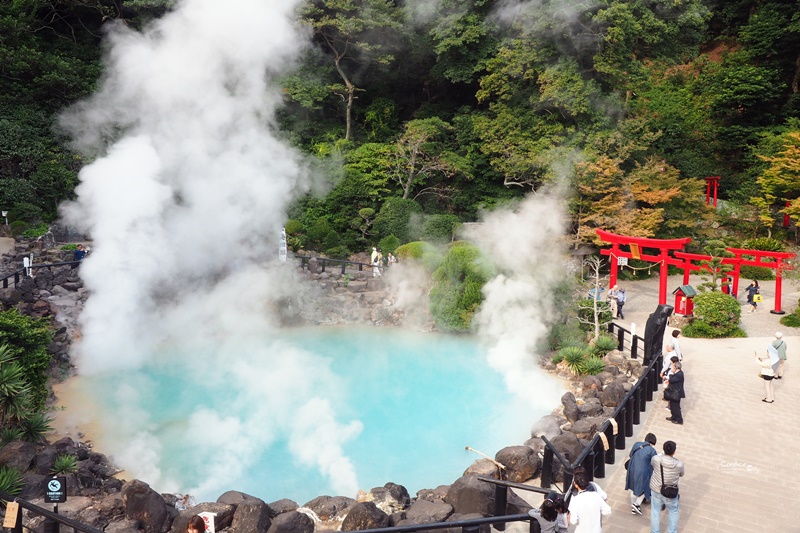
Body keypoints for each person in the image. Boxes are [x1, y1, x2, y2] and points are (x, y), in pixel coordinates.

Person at [649, 441, 684, 533]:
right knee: (673, 511)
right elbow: (681, 474)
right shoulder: (679, 464)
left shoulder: (656, 459)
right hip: (670, 492)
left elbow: (652, 464)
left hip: (656, 489)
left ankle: (655, 531)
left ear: (663, 449)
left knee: (655, 511)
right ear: (674, 451)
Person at [625, 433, 658, 515]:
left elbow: (631, 455)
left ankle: (633, 507)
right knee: (646, 488)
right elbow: (655, 463)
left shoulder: (636, 444)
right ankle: (636, 504)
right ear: (653, 443)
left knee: (632, 487)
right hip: (643, 471)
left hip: (632, 468)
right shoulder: (652, 450)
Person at [664, 360, 685, 424]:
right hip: (673, 392)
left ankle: (679, 419)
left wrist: (671, 373)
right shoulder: (677, 373)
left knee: (676, 407)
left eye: (673, 367)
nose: (672, 369)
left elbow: (672, 380)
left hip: (676, 393)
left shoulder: (679, 374)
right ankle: (673, 417)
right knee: (672, 406)